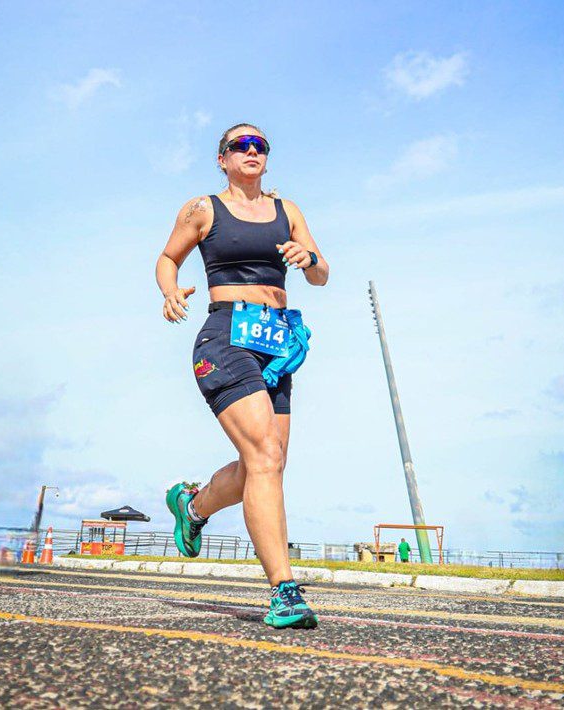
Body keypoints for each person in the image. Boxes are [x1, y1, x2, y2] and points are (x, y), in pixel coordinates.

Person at [156, 123, 329, 629]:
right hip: (225, 338)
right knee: (265, 457)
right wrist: (169, 291)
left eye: (260, 146)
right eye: (241, 146)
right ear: (223, 158)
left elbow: (321, 274)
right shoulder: (203, 209)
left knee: (266, 465)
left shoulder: (287, 211)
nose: (251, 151)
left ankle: (192, 505)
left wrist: (309, 258)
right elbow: (169, 257)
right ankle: (284, 591)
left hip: (277, 345)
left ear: (266, 159)